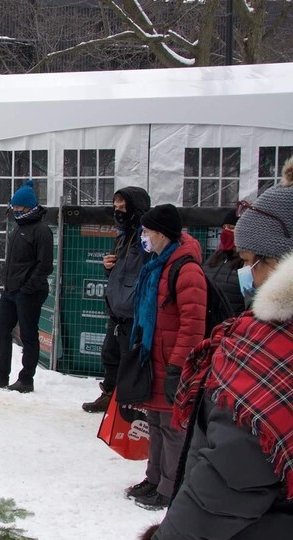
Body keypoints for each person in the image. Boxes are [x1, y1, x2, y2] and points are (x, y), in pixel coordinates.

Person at [144, 162, 293, 539]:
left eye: (249, 262)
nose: (247, 272)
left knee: (171, 430)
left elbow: (234, 474)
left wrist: (179, 361)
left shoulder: (269, 352)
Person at [124, 203, 207, 511]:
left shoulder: (186, 270)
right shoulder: (158, 263)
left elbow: (192, 326)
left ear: (161, 234)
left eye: (147, 232)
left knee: (173, 429)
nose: (143, 237)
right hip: (154, 358)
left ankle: (170, 488)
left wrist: (178, 366)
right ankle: (154, 478)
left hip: (173, 363)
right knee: (156, 423)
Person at [0, 180, 54, 394]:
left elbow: (44, 265)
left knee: (28, 335)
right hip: (11, 291)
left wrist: (27, 287)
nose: (16, 211)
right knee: (1, 327)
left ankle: (26, 379)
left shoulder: (41, 231)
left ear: (29, 207)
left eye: (19, 208)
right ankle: (1, 374)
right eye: (14, 207)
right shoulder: (18, 229)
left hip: (29, 292)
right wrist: (8, 285)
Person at [82, 187, 151, 412]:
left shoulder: (147, 238)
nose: (118, 211)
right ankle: (109, 395)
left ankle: (128, 403)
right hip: (117, 309)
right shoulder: (122, 236)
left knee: (130, 359)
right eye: (116, 207)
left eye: (123, 207)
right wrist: (107, 267)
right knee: (109, 354)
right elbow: (119, 272)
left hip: (135, 311)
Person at [202, 209, 246, 315]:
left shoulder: (247, 263)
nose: (226, 231)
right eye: (224, 227)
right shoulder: (215, 258)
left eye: (231, 228)